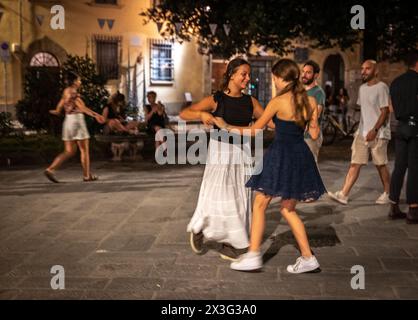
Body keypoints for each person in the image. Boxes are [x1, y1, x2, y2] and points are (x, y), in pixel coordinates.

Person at [216, 58, 326, 273]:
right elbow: (313, 133)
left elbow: (255, 130)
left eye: (274, 77)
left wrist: (226, 126)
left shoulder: (278, 101)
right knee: (288, 209)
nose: (273, 81)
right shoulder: (310, 102)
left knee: (260, 203)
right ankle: (308, 257)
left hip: (281, 154)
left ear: (279, 77)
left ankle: (254, 255)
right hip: (300, 155)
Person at [179, 57, 274, 261]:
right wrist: (202, 115)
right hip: (220, 152)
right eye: (244, 74)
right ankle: (200, 228)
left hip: (243, 153)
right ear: (232, 74)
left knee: (239, 197)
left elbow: (271, 122)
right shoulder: (217, 99)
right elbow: (184, 113)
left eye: (249, 75)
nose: (248, 78)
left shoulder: (251, 102)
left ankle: (230, 242)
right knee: (217, 194)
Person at [328, 60, 392, 205]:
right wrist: (359, 130)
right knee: (355, 163)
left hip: (379, 133)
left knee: (380, 164)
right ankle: (343, 194)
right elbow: (364, 111)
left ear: (375, 71)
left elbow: (385, 112)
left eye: (367, 69)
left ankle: (388, 193)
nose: (363, 71)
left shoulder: (382, 87)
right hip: (362, 133)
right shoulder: (362, 88)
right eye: (362, 69)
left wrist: (374, 130)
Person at [44, 72, 104, 183]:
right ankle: (87, 176)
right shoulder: (74, 93)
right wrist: (96, 115)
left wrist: (57, 111)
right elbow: (82, 108)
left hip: (68, 121)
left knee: (69, 151)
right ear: (74, 82)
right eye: (79, 80)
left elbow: (61, 104)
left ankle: (50, 169)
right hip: (77, 121)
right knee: (84, 150)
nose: (80, 82)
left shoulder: (65, 92)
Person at [388, 51, 418, 224]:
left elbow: (392, 107)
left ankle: (393, 206)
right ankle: (413, 209)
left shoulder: (396, 82)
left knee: (399, 166)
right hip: (416, 127)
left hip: (401, 127)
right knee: (414, 168)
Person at [301, 60, 326, 162]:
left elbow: (316, 114)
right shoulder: (301, 91)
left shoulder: (318, 92)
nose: (304, 75)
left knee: (310, 168)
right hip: (300, 135)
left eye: (308, 72)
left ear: (316, 75)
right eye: (303, 72)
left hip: (310, 136)